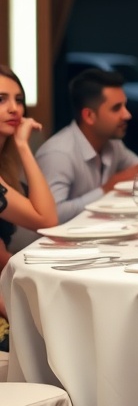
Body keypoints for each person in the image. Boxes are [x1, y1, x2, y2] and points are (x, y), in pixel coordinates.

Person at [36, 68, 138, 223]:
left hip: (93, 234)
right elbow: (54, 215)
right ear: (89, 116)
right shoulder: (58, 154)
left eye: (125, 106)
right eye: (117, 108)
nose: (127, 114)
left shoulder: (112, 144)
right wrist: (106, 189)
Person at [0, 65, 58, 347]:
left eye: (18, 100)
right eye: (1, 100)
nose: (14, 109)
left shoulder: (5, 166)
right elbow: (46, 219)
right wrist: (23, 145)